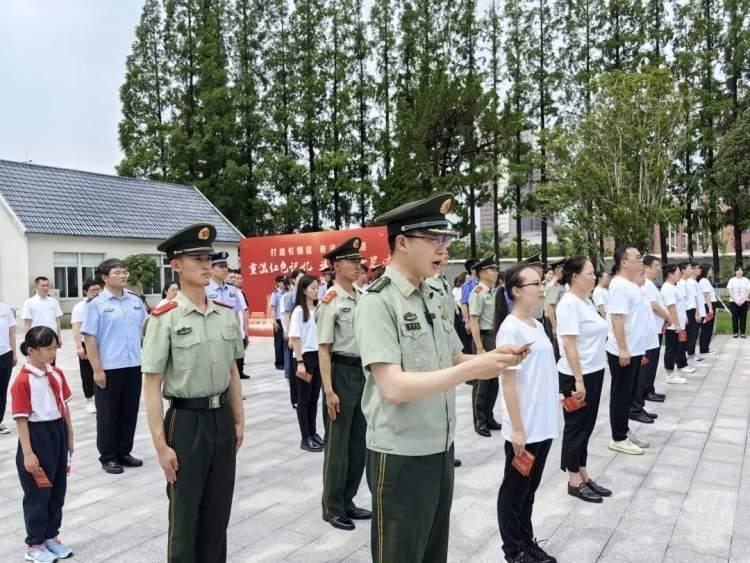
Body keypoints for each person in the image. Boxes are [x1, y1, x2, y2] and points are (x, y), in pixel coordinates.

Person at [353, 192, 523, 563]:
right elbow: (393, 387)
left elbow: (452, 357)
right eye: (434, 240)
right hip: (400, 455)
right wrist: (470, 369)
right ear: (401, 242)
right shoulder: (378, 302)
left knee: (433, 553)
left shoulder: (435, 292)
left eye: (446, 240)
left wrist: (492, 359)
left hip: (440, 448)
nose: (443, 250)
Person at [141, 223, 245, 563]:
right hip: (185, 422)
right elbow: (152, 385)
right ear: (175, 265)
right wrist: (160, 444)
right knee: (186, 516)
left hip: (221, 419)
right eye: (196, 258)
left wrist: (239, 420)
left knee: (218, 512)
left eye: (209, 258)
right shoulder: (164, 319)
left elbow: (232, 372)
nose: (205, 265)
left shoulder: (225, 315)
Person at [495, 262, 559, 563]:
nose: (542, 287)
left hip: (542, 422)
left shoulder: (536, 325)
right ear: (517, 291)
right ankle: (513, 550)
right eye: (536, 283)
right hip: (525, 426)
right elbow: (507, 383)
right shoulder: (511, 328)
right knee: (514, 491)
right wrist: (517, 429)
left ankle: (526, 540)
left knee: (529, 489)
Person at [316, 237, 370, 531]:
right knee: (337, 444)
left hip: (362, 374)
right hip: (340, 372)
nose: (357, 266)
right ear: (336, 266)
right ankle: (332, 505)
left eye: (358, 261)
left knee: (358, 442)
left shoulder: (362, 296)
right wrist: (328, 390)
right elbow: (324, 348)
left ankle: (348, 500)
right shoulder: (330, 301)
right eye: (351, 261)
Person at [11, 326, 74, 563]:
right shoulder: (22, 381)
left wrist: (69, 437)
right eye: (47, 348)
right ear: (31, 350)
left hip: (57, 432)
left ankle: (50, 537)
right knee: (39, 492)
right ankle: (34, 544)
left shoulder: (56, 373)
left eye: (54, 347)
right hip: (37, 438)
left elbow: (64, 407)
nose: (52, 352)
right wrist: (28, 453)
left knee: (57, 489)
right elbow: (21, 419)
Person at [82, 259, 147, 475]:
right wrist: (97, 370)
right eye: (117, 272)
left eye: (124, 271)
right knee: (108, 414)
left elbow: (147, 331)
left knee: (129, 411)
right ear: (105, 278)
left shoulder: (136, 301)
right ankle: (108, 456)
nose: (123, 275)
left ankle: (124, 451)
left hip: (134, 365)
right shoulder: (96, 305)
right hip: (109, 367)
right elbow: (89, 339)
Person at [556, 257, 610, 504]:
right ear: (575, 277)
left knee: (587, 426)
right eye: (589, 273)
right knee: (576, 426)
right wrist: (578, 381)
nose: (594, 277)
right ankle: (573, 480)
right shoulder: (568, 304)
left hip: (594, 371)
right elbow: (568, 344)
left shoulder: (585, 300)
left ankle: (583, 472)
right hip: (576, 376)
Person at [606, 246, 650, 455]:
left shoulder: (632, 285)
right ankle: (618, 437)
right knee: (621, 394)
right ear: (624, 262)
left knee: (630, 392)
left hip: (635, 349)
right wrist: (623, 348)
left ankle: (623, 429)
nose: (641, 261)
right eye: (638, 257)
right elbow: (616, 318)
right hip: (623, 351)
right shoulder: (618, 286)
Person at [289, 275, 323, 452]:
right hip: (305, 358)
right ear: (303, 290)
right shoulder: (298, 312)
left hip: (319, 356)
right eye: (312, 288)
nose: (316, 291)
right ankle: (305, 437)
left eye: (318, 287)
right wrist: (300, 361)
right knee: (304, 400)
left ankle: (313, 432)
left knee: (314, 398)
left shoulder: (318, 309)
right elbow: (295, 337)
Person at [469, 257, 502, 437]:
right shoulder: (478, 292)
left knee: (493, 381)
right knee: (481, 383)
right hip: (483, 337)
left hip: (493, 337)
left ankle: (489, 417)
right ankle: (479, 422)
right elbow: (474, 321)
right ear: (482, 273)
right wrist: (480, 347)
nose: (496, 273)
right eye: (492, 270)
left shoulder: (492, 291)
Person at [633, 256, 669, 412]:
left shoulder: (649, 284)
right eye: (656, 265)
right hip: (649, 331)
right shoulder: (645, 285)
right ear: (646, 268)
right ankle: (643, 394)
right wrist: (669, 317)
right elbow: (654, 306)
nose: (659, 268)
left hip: (655, 329)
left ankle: (649, 390)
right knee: (647, 366)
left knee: (652, 365)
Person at [206, 255, 249, 379]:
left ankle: (232, 395)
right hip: (212, 336)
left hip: (229, 335)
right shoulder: (205, 289)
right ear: (211, 269)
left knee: (232, 367)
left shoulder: (233, 290)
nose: (225, 269)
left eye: (226, 266)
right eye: (221, 266)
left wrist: (238, 333)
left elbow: (236, 313)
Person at [70, 279, 101, 415]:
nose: (96, 292)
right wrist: (79, 347)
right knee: (87, 372)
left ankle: (102, 399)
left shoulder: (104, 303)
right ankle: (89, 400)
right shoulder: (79, 307)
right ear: (85, 291)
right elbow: (76, 327)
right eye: (93, 290)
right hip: (86, 342)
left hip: (103, 342)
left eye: (98, 290)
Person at [660, 264, 690, 384]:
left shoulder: (674, 286)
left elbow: (680, 306)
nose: (679, 275)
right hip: (673, 326)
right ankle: (669, 375)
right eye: (678, 273)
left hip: (679, 324)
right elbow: (671, 307)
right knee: (671, 349)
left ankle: (672, 372)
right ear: (670, 274)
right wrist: (677, 324)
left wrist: (684, 319)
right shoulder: (667, 288)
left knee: (676, 348)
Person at [281, 269, 305, 408]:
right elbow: (287, 315)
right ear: (294, 280)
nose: (302, 280)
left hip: (305, 334)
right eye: (299, 278)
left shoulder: (306, 293)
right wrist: (289, 334)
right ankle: (295, 398)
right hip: (294, 334)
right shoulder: (290, 296)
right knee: (294, 366)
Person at [22, 277, 63, 348]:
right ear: (36, 286)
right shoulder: (29, 302)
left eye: (47, 285)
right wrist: (28, 341)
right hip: (36, 338)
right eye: (43, 285)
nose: (46, 288)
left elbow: (57, 321)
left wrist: (59, 337)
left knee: (52, 358)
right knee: (37, 359)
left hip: (52, 337)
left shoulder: (54, 302)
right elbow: (27, 324)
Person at [0, 299, 17, 435]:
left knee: (2, 390)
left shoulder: (6, 309)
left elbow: (12, 333)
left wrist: (14, 353)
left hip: (5, 353)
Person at [543, 259, 566, 359]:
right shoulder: (554, 285)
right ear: (557, 270)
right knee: (556, 351)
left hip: (557, 320)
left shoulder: (559, 284)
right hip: (554, 320)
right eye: (562, 268)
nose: (564, 271)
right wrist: (554, 327)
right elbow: (550, 307)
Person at [685, 261, 706, 363]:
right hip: (693, 311)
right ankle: (690, 354)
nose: (700, 270)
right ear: (693, 269)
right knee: (693, 333)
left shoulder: (695, 282)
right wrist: (697, 313)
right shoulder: (690, 283)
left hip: (698, 311)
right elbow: (693, 299)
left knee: (695, 333)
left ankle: (691, 353)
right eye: (698, 268)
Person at [460, 259, 480, 353]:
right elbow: (464, 304)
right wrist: (467, 322)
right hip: (472, 321)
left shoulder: (481, 283)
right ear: (472, 270)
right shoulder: (467, 285)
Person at [697, 264, 717, 355]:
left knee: (708, 328)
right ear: (706, 270)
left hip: (709, 305)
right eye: (710, 269)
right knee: (707, 328)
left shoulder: (706, 280)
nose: (711, 271)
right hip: (708, 306)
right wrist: (710, 309)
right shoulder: (704, 281)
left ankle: (705, 347)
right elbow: (707, 295)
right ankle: (704, 348)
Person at [269, 275, 287, 371]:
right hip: (279, 320)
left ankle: (285, 361)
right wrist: (274, 321)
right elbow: (273, 308)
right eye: (281, 282)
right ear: (277, 283)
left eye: (284, 281)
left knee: (286, 341)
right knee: (279, 342)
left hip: (287, 320)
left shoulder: (288, 293)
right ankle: (279, 362)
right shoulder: (275, 294)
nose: (283, 284)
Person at [727, 264, 749, 338]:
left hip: (744, 302)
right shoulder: (731, 280)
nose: (739, 272)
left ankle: (742, 333)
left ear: (743, 271)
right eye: (738, 270)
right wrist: (736, 300)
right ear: (735, 271)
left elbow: (748, 290)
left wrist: (743, 299)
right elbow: (730, 291)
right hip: (733, 302)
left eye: (741, 270)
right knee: (734, 318)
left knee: (743, 318)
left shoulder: (746, 280)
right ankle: (735, 332)